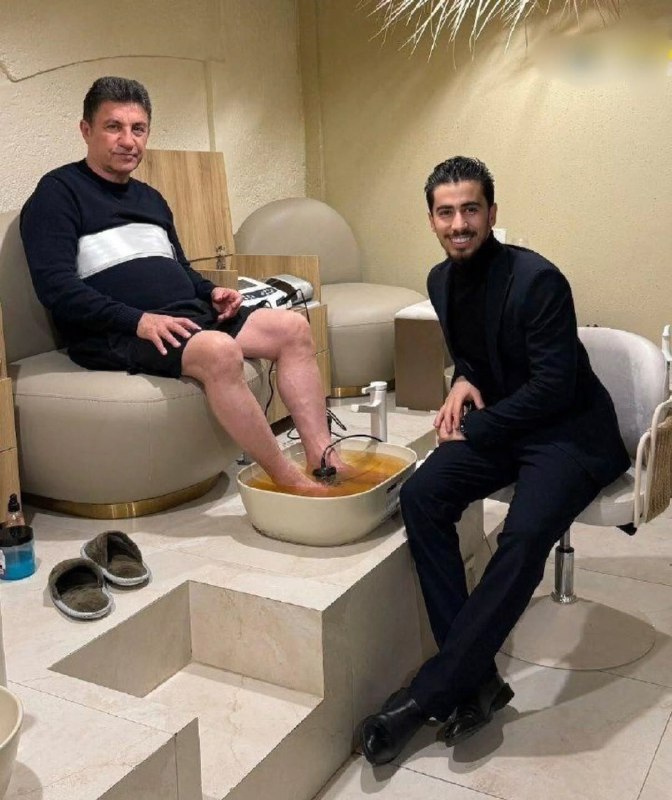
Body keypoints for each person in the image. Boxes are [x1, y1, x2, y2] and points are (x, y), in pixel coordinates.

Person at [359, 156, 630, 764]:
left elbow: (555, 387)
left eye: (470, 210)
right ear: (431, 219)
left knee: (525, 535)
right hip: (507, 424)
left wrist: (478, 427)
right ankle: (477, 679)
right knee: (423, 496)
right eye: (446, 212)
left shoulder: (539, 280)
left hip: (567, 433)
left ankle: (427, 696)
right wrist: (463, 380)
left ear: (491, 213)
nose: (459, 224)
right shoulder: (439, 280)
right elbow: (476, 356)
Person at [21, 76, 342, 494]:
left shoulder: (151, 199)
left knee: (293, 327)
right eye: (113, 127)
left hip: (184, 317)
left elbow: (180, 267)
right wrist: (138, 321)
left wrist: (209, 292)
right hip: (116, 332)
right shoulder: (57, 193)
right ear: (86, 130)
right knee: (219, 350)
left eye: (138, 129)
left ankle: (324, 459)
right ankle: (285, 478)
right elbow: (56, 288)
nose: (128, 140)